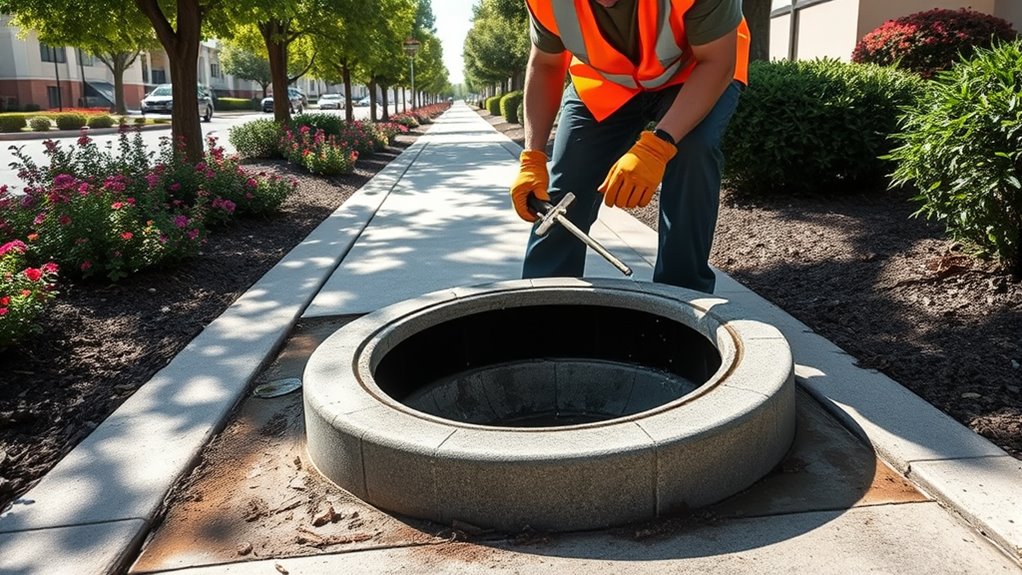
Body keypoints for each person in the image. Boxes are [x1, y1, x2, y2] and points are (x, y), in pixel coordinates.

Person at [510, 0, 749, 294]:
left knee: (692, 150)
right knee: (568, 181)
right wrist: (532, 158)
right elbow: (546, 64)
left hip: (696, 70)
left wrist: (658, 147)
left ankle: (683, 299)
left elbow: (716, 61)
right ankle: (542, 304)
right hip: (606, 81)